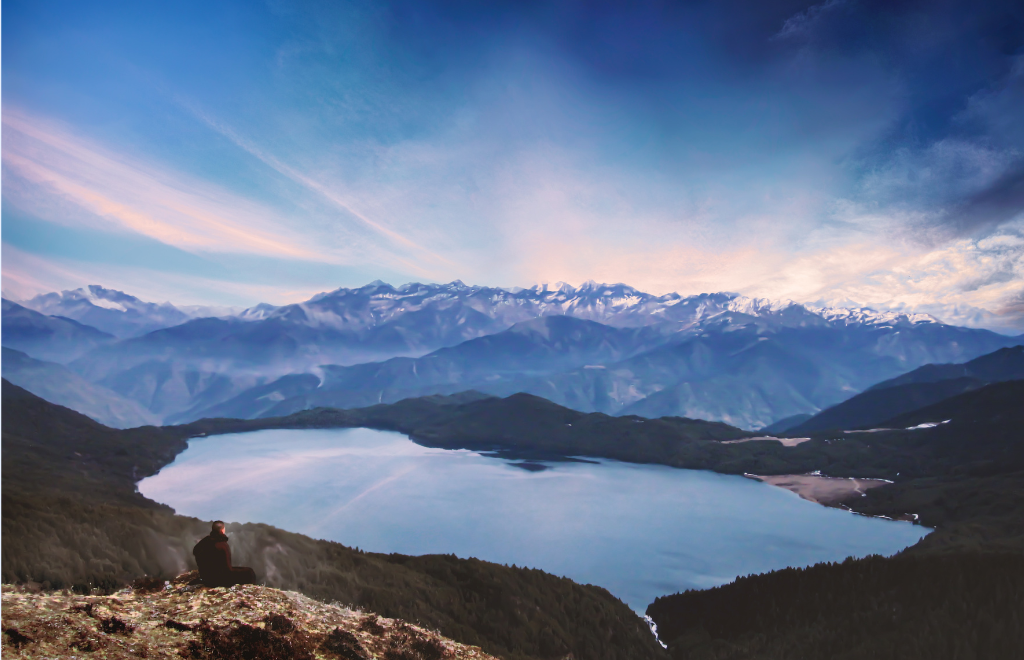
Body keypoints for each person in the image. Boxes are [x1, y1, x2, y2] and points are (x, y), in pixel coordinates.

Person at [192, 521, 257, 587]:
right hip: (219, 580)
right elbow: (227, 570)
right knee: (249, 572)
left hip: (206, 577)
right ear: (223, 530)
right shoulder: (222, 545)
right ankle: (252, 589)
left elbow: (195, 551)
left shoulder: (204, 542)